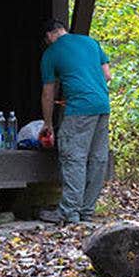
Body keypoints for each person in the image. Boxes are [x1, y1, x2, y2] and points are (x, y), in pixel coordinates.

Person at [36, 18, 112, 224]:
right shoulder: (90, 42)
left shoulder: (51, 53)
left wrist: (48, 123)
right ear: (63, 30)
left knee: (73, 158)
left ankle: (68, 212)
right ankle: (86, 210)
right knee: (97, 159)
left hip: (79, 109)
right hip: (102, 105)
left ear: (49, 36)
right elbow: (106, 75)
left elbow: (47, 93)